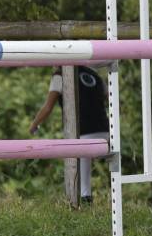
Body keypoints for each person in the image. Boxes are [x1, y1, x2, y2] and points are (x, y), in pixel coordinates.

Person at [29, 66, 110, 204]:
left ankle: (82, 207)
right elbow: (108, 97)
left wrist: (34, 125)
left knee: (82, 182)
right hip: (106, 131)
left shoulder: (60, 76)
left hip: (83, 133)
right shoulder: (94, 74)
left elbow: (48, 107)